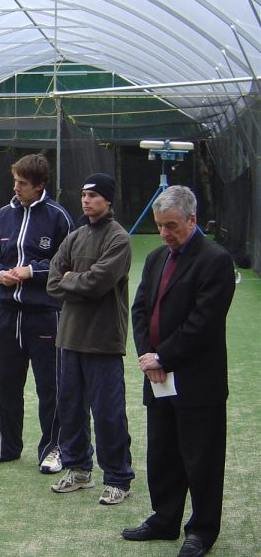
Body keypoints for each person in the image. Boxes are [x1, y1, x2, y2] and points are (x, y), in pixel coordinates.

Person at [123, 186, 235, 557]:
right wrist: (147, 357)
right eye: (159, 226)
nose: (165, 233)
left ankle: (201, 531)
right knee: (162, 454)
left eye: (171, 225)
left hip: (197, 383)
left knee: (201, 458)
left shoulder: (215, 260)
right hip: (157, 379)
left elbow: (202, 323)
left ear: (192, 219)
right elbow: (139, 310)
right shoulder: (156, 258)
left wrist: (163, 358)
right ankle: (165, 519)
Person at [0, 154, 73, 474]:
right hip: (7, 313)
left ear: (40, 185)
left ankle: (54, 448)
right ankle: (5, 446)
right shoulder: (2, 215)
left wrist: (33, 271)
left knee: (50, 386)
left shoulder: (59, 217)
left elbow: (67, 264)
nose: (16, 187)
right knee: (5, 382)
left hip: (45, 314)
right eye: (15, 181)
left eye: (22, 183)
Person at [46, 173, 134, 505]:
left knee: (109, 413)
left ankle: (118, 478)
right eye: (83, 194)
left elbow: (99, 284)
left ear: (108, 200)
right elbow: (53, 282)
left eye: (93, 195)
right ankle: (79, 470)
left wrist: (73, 280)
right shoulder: (74, 236)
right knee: (70, 409)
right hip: (69, 339)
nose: (86, 200)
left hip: (103, 341)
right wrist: (75, 282)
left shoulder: (119, 239)